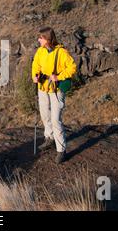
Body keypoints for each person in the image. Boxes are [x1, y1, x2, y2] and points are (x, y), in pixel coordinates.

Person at [31, 27, 77, 164]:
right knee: (45, 114)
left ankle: (61, 150)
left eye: (41, 37)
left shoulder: (61, 53)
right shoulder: (40, 51)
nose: (38, 40)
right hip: (43, 87)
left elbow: (72, 67)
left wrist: (59, 76)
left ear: (47, 39)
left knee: (56, 119)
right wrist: (35, 75)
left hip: (56, 90)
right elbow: (35, 65)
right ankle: (49, 138)